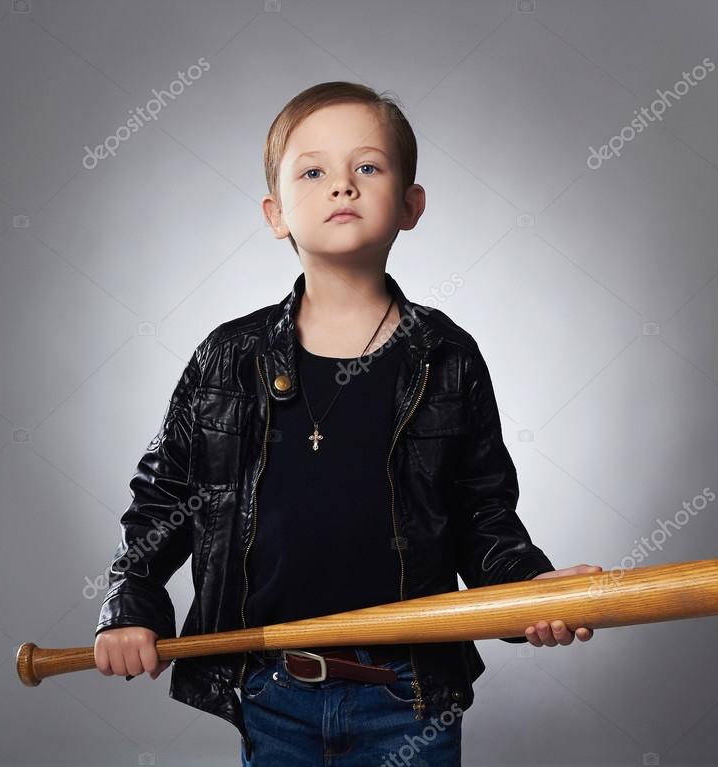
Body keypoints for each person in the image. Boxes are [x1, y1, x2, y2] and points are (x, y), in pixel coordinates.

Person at [93, 81, 602, 765]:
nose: (342, 186)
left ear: (411, 204)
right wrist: (131, 602)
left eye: (367, 167)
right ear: (276, 213)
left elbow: (482, 515)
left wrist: (527, 590)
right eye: (313, 171)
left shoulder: (446, 355)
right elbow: (163, 501)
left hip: (409, 694)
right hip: (271, 684)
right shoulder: (226, 357)